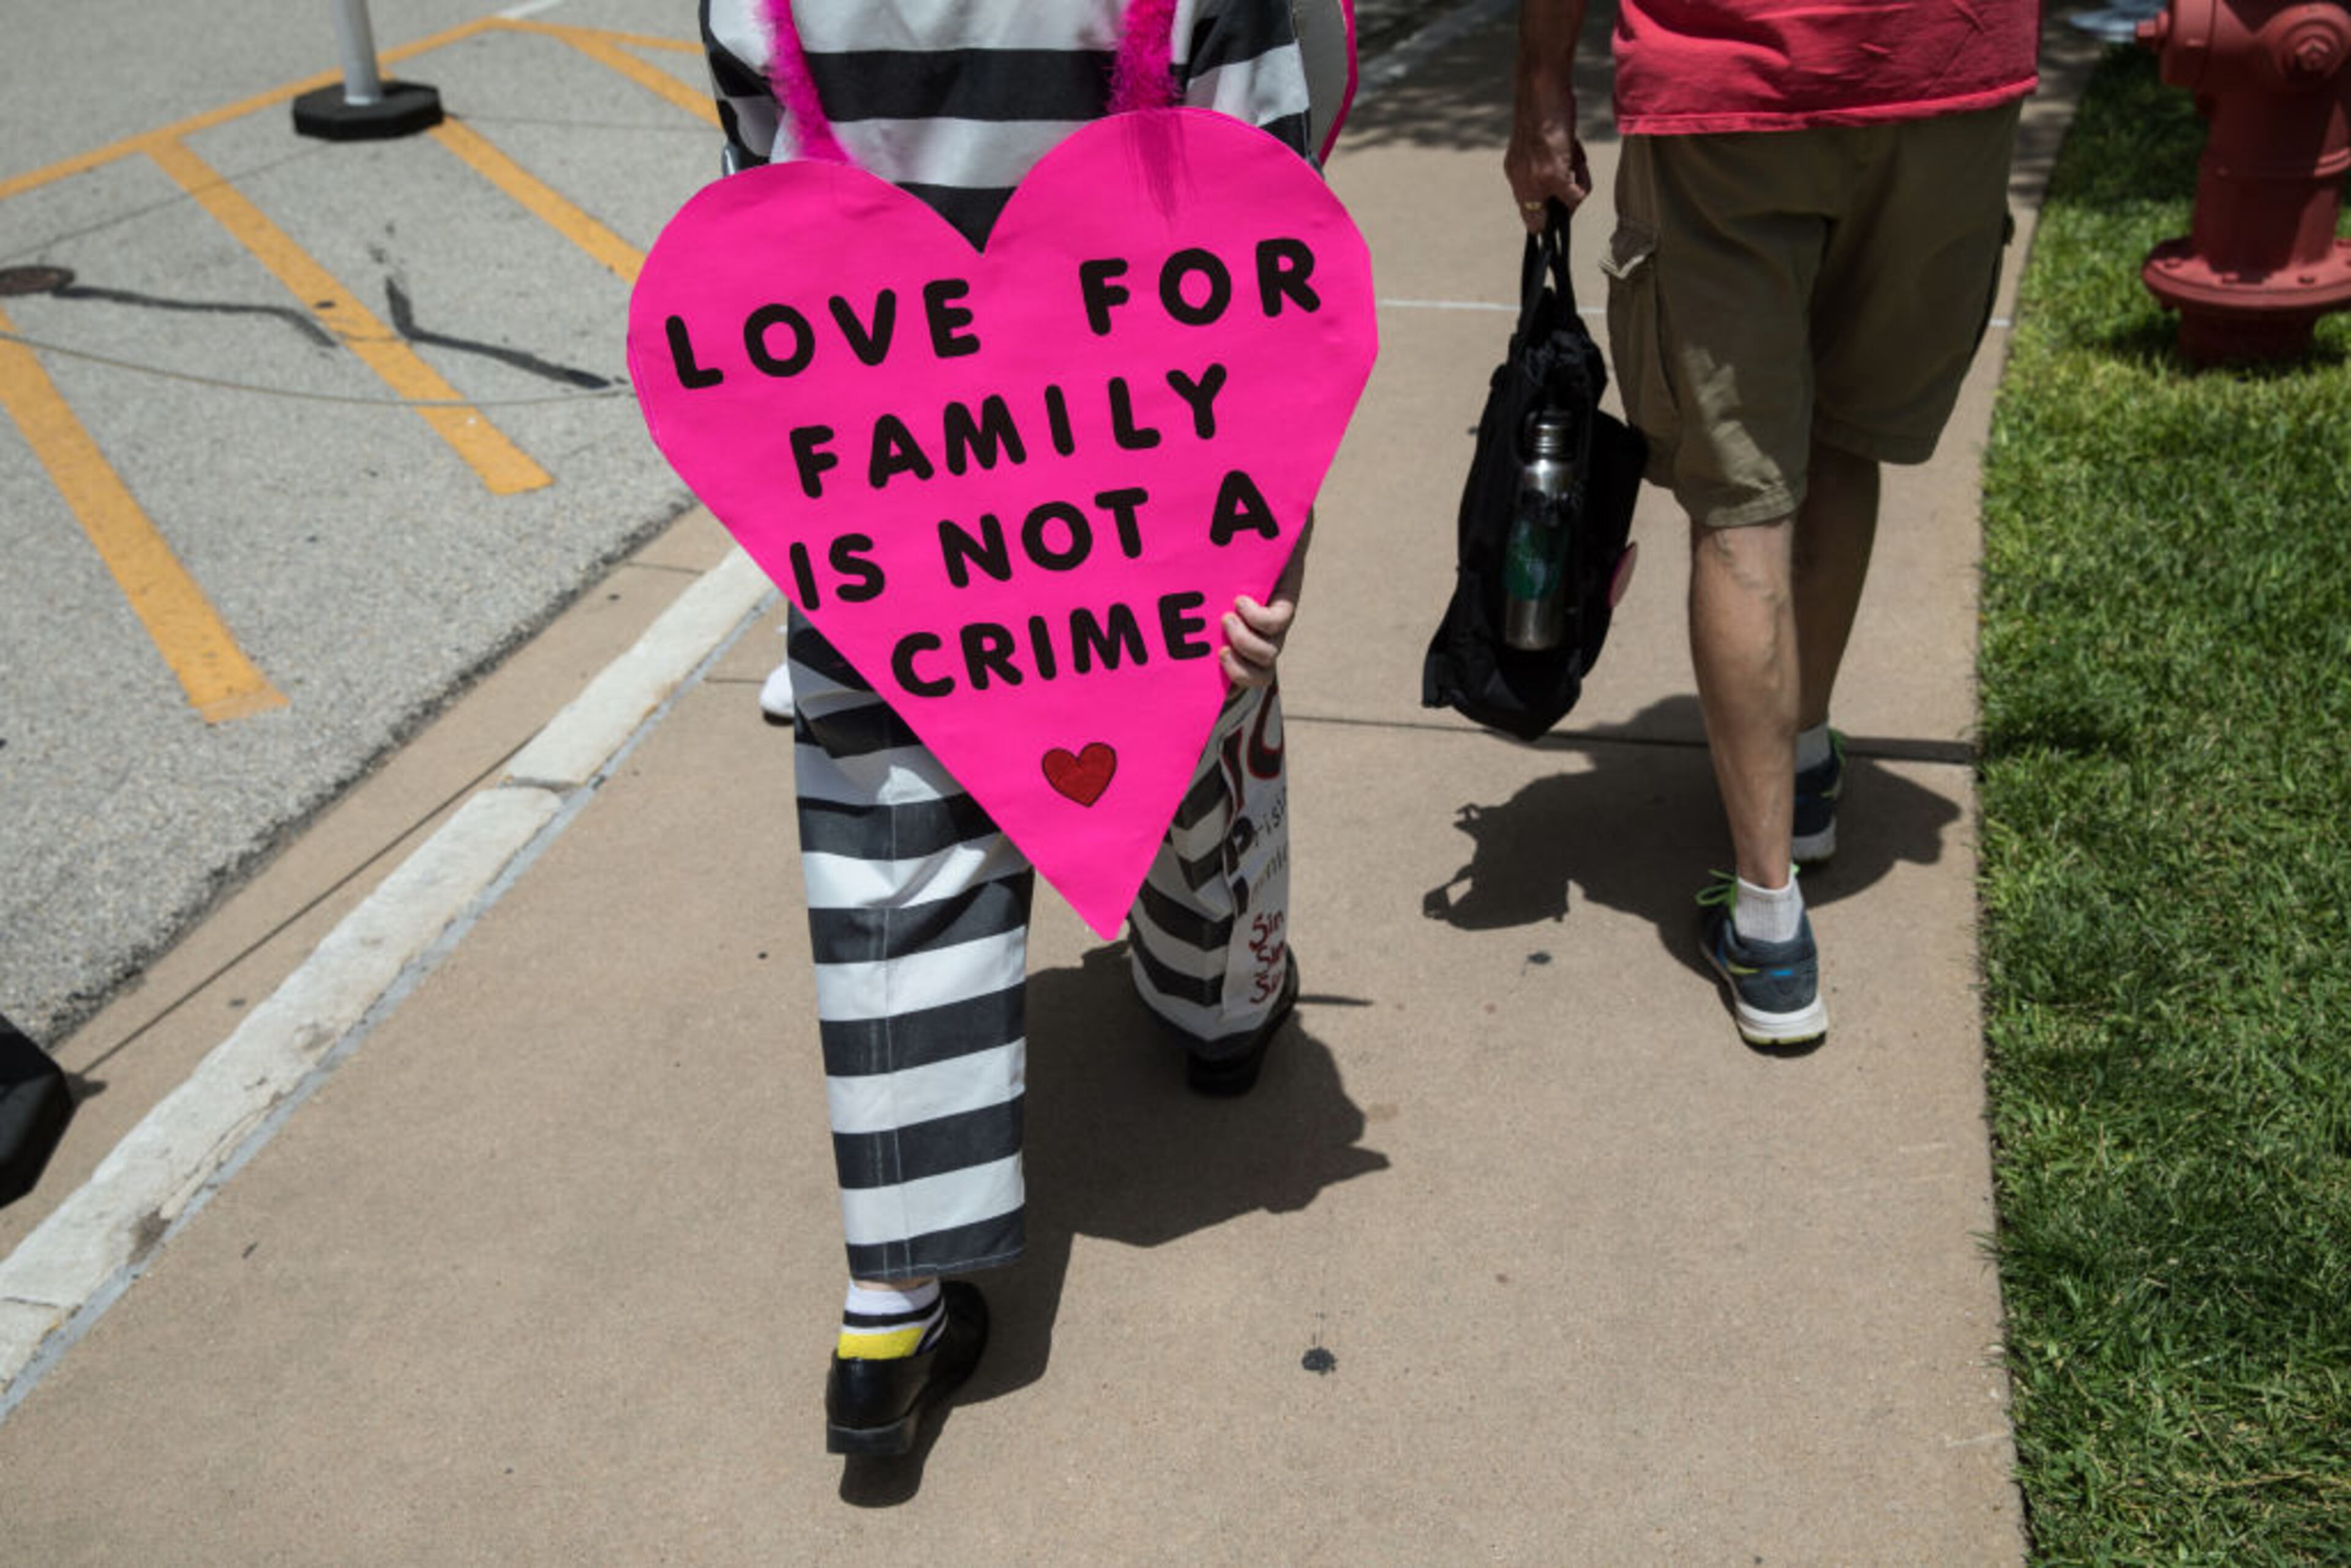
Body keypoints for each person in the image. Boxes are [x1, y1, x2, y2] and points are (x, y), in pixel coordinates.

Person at [697, 0, 1333, 1457]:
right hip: (1138, 461)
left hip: (892, 473)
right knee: (1175, 754)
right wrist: (1274, 524)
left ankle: (890, 1320)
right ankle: (1218, 1007)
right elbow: (1265, 216)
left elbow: (758, 219)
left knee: (891, 848)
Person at [1504, 0, 2038, 1048]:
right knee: (1843, 434)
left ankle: (1769, 928)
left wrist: (1541, 83)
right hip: (1947, 67)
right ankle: (1804, 767)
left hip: (1733, 79)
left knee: (1741, 501)